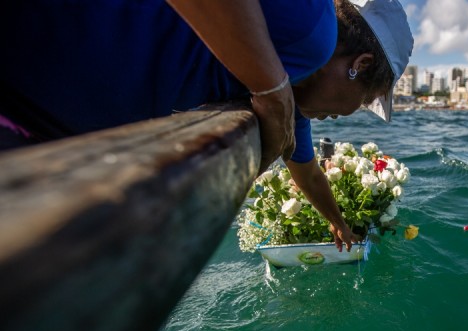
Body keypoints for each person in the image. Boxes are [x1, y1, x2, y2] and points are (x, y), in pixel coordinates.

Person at [0, 0, 413, 251]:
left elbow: (306, 173)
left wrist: (338, 223)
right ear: (360, 66)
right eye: (364, 101)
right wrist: (269, 87)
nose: (349, 114)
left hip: (33, 127)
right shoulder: (314, 27)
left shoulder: (294, 102)